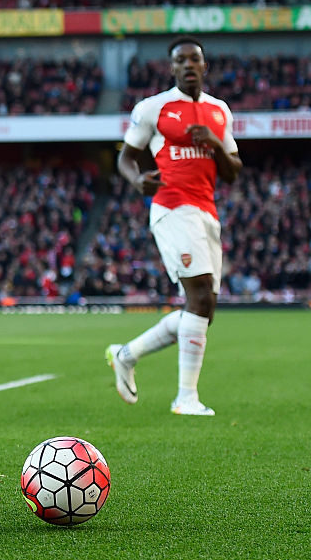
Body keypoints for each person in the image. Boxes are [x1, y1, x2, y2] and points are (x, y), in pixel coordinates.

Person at [106, 36, 242, 417]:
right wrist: (136, 181)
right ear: (171, 68)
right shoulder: (154, 108)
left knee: (204, 308)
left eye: (193, 60)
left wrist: (215, 143)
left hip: (206, 213)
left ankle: (126, 354)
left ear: (204, 66)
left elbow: (233, 172)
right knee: (200, 296)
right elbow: (127, 158)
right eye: (180, 61)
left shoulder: (219, 111)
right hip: (171, 208)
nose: (187, 66)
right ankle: (186, 398)